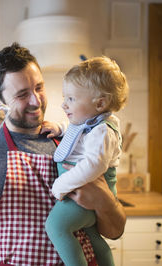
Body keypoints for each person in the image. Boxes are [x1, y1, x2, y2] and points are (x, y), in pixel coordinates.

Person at [0, 43, 126, 265]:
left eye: (39, 87)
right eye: (22, 94)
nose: (36, 101)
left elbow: (115, 232)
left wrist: (104, 202)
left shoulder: (75, 142)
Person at [42, 56, 129, 266]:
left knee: (55, 226)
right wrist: (60, 128)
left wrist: (60, 185)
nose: (64, 104)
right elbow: (76, 129)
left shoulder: (103, 131)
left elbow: (93, 165)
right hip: (86, 193)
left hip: (88, 191)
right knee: (93, 239)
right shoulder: (91, 122)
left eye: (71, 99)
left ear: (100, 103)